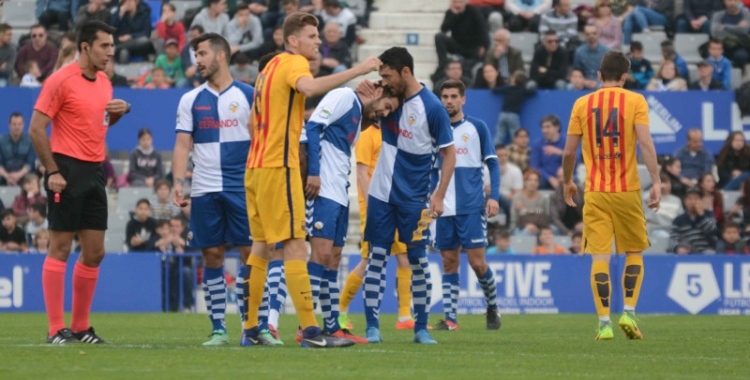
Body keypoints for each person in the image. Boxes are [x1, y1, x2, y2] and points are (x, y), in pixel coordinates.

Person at [242, 12, 381, 348]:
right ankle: (312, 332)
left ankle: (251, 329)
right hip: (279, 167)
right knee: (294, 245)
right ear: (293, 41)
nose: (318, 41)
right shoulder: (292, 64)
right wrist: (359, 70)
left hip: (255, 168)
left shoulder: (266, 70)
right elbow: (310, 87)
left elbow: (251, 123)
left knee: (260, 249)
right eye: (312, 36)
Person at [28, 21, 130, 344]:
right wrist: (52, 171)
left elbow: (98, 124)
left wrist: (118, 114)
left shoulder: (104, 82)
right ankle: (56, 329)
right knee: (59, 247)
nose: (111, 53)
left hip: (95, 170)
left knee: (95, 252)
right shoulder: (60, 80)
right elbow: (35, 128)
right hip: (66, 170)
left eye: (112, 46)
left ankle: (82, 327)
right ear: (85, 47)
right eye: (105, 46)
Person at [357, 47, 455, 345]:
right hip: (381, 195)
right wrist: (365, 104)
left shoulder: (433, 108)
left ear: (406, 72)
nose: (383, 80)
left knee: (418, 260)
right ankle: (372, 327)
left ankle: (421, 328)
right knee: (376, 258)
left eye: (387, 75)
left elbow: (449, 154)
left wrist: (439, 196)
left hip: (415, 199)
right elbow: (360, 127)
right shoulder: (386, 96)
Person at [562, 50, 661, 340]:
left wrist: (568, 181)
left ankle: (604, 323)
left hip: (595, 191)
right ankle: (628, 312)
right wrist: (655, 181)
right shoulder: (636, 100)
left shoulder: (582, 103)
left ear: (599, 75)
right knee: (633, 251)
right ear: (626, 76)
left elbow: (569, 151)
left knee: (600, 257)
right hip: (627, 189)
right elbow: (645, 142)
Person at [171, 32, 260, 345]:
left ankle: (252, 328)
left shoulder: (250, 95)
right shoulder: (190, 99)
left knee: (251, 255)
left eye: (203, 53)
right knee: (211, 255)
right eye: (196, 55)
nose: (198, 60)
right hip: (205, 188)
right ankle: (219, 329)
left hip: (242, 187)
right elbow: (183, 145)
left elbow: (262, 141)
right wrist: (178, 183)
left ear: (221, 55)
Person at [303, 82, 403, 343]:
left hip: (340, 191)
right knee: (321, 254)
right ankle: (307, 326)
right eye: (386, 107)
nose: (384, 114)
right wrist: (313, 172)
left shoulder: (359, 117)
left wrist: (373, 112)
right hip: (322, 187)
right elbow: (313, 127)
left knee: (334, 258)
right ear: (378, 93)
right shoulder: (343, 96)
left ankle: (332, 326)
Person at [338, 115, 418, 332]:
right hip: (374, 209)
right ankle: (341, 310)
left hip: (395, 206)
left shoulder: (395, 133)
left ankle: (404, 317)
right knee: (368, 261)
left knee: (404, 259)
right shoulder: (366, 135)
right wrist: (373, 206)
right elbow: (362, 174)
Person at [433, 79, 501, 331]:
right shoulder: (435, 130)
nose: (449, 101)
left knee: (477, 263)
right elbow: (431, 168)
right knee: (449, 262)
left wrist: (493, 196)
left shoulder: (476, 127)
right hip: (443, 208)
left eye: (453, 96)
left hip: (471, 206)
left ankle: (492, 306)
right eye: (445, 96)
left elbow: (492, 163)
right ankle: (450, 319)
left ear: (463, 99)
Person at [434, 0, 489, 73]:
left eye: (460, 2)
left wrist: (484, 45)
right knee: (439, 37)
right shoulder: (451, 12)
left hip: (473, 47)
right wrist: (454, 15)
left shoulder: (474, 11)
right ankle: (443, 66)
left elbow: (483, 28)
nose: (458, 5)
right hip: (458, 45)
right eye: (455, 2)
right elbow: (444, 29)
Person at [668, 188, 718, 254]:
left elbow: (712, 231)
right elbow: (673, 238)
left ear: (701, 201)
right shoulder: (678, 220)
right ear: (685, 202)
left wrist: (701, 216)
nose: (693, 202)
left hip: (706, 251)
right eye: (690, 199)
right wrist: (677, 248)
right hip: (687, 252)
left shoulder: (709, 214)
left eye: (696, 199)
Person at [492, 71, 536, 146]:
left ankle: (492, 151)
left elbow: (495, 90)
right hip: (514, 116)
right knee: (515, 136)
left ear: (513, 79)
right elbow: (532, 91)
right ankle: (516, 153)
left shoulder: (507, 88)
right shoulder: (523, 90)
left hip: (503, 114)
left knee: (499, 135)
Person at [487, 144, 523, 222]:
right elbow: (487, 190)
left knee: (515, 203)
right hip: (489, 199)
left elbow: (518, 194)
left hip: (508, 201)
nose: (503, 158)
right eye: (500, 155)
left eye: (505, 155)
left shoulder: (515, 170)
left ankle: (510, 227)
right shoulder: (486, 169)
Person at [711, 0, 750, 69]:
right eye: (729, 1)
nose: (732, 3)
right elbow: (715, 32)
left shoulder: (746, 14)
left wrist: (725, 27)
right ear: (724, 2)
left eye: (735, 0)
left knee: (741, 56)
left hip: (739, 45)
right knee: (711, 54)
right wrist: (738, 28)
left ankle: (739, 76)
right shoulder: (718, 15)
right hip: (722, 45)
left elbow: (744, 30)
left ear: (739, 1)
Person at [0, 113, 37, 186]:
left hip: (24, 174)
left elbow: (30, 163)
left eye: (19, 124)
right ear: (9, 125)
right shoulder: (1, 141)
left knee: (33, 177)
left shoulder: (30, 141)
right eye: (14, 124)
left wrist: (17, 176)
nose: (17, 127)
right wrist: (7, 177)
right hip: (5, 175)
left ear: (23, 125)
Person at [530, 114, 566, 189]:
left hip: (565, 175)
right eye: (543, 127)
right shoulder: (537, 144)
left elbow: (576, 159)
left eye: (548, 127)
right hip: (545, 179)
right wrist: (550, 178)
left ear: (557, 127)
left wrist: (560, 153)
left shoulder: (567, 142)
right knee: (534, 180)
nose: (544, 131)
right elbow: (534, 166)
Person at [510, 169, 550, 235]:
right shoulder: (517, 198)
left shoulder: (543, 198)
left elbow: (546, 217)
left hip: (539, 228)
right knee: (526, 231)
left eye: (536, 180)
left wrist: (523, 209)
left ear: (539, 183)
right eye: (530, 180)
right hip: (520, 227)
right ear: (525, 182)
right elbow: (514, 219)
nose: (533, 183)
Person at [644, 172, 684, 238]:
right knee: (664, 236)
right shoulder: (650, 197)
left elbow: (681, 217)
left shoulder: (676, 200)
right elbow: (643, 198)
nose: (668, 185)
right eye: (665, 183)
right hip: (655, 229)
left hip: (673, 230)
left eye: (668, 183)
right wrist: (656, 189)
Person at [573, 24, 610, 89]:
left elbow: (609, 72)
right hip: (583, 82)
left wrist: (598, 82)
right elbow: (577, 71)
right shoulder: (579, 52)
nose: (591, 36)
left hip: (601, 82)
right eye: (588, 34)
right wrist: (584, 81)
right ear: (584, 35)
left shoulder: (607, 51)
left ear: (598, 34)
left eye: (594, 33)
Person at [550, 167, 583, 236]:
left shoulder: (582, 192)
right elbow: (555, 219)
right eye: (559, 177)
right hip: (562, 228)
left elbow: (590, 211)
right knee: (552, 229)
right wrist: (567, 232)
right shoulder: (554, 196)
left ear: (572, 177)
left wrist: (584, 223)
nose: (562, 179)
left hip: (581, 225)